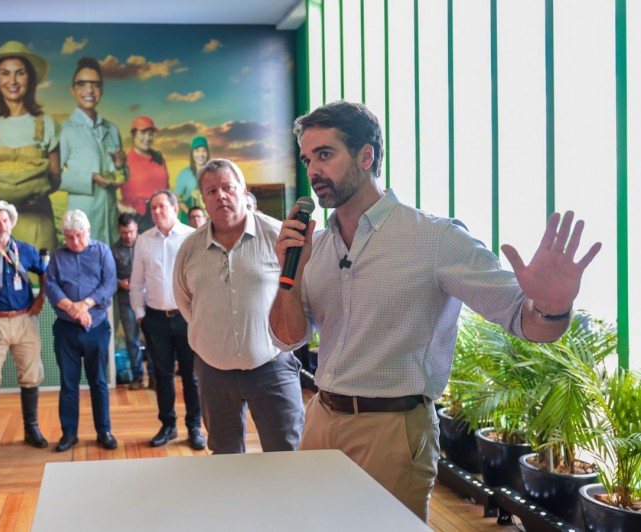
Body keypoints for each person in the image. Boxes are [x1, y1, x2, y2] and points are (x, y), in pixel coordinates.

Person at [269, 100, 601, 521]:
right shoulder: (312, 244)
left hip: (392, 430)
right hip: (320, 418)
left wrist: (553, 307)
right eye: (307, 158)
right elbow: (287, 337)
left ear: (366, 156)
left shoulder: (435, 238)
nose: (313, 170)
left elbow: (525, 319)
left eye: (325, 154)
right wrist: (289, 275)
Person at [174, 159, 304, 455]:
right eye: (211, 190)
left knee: (286, 453)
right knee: (225, 458)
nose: (220, 195)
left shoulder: (277, 236)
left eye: (227, 187)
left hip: (271, 367)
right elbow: (186, 303)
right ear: (203, 199)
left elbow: (301, 294)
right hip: (213, 373)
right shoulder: (189, 249)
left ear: (243, 191)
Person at [0, 201, 48, 454]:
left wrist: (40, 298)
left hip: (25, 320)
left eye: (5, 221)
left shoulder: (25, 250)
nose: (2, 226)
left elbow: (45, 272)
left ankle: (31, 428)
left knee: (31, 375)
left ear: (11, 223)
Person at [0, 41, 60, 252]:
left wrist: (30, 199)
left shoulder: (47, 123)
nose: (12, 81)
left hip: (37, 223)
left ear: (30, 78)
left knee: (39, 280)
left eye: (19, 73)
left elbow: (55, 176)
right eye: (5, 73)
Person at [130, 191, 204, 449]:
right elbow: (136, 282)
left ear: (174, 208)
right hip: (155, 319)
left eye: (162, 207)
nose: (157, 212)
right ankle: (168, 425)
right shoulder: (143, 240)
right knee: (161, 376)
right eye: (153, 208)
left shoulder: (191, 236)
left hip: (186, 318)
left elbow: (200, 280)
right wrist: (140, 314)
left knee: (191, 377)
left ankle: (194, 426)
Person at [45, 210, 117, 452]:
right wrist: (73, 310)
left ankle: (104, 431)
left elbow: (109, 283)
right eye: (69, 237)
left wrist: (84, 305)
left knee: (98, 381)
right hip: (66, 329)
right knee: (68, 383)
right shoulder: (57, 255)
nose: (74, 242)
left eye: (78, 236)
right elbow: (51, 286)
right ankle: (69, 433)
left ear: (88, 232)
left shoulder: (102, 251)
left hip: (96, 326)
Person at [59, 56, 125, 245]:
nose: (89, 90)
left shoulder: (112, 130)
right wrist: (91, 177)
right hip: (83, 218)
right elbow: (52, 177)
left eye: (95, 85)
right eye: (82, 84)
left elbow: (122, 176)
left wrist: (120, 169)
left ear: (101, 90)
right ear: (73, 89)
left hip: (111, 220)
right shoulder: (65, 130)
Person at [110, 213, 146, 390]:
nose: (128, 236)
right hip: (126, 300)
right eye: (124, 232)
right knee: (132, 340)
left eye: (131, 232)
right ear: (119, 230)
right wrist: (120, 283)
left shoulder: (146, 244)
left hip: (149, 299)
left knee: (153, 339)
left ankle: (155, 376)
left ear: (136, 228)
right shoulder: (113, 249)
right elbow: (109, 275)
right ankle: (138, 376)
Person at [121, 116, 168, 234]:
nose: (147, 137)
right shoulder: (124, 162)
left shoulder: (159, 159)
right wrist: (124, 209)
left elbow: (166, 189)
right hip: (137, 221)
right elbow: (108, 194)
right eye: (143, 132)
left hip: (161, 218)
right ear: (133, 134)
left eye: (150, 133)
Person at [174, 136, 209, 225]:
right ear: (192, 153)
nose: (200, 154)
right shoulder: (184, 174)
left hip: (208, 220)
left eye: (203, 151)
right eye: (197, 151)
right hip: (188, 220)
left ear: (207, 153)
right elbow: (177, 198)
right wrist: (192, 214)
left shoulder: (213, 172)